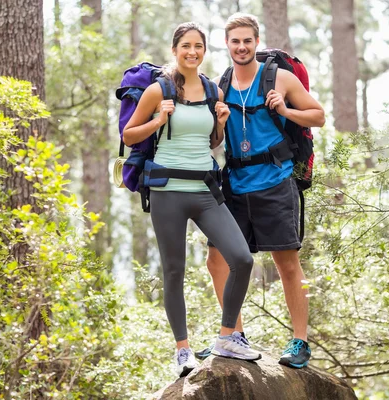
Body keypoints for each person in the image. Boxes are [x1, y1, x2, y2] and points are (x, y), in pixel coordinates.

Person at [123, 22, 261, 378]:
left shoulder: (213, 89)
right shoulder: (159, 89)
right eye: (186, 45)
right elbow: (128, 133)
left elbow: (212, 143)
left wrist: (220, 123)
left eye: (198, 46)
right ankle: (182, 350)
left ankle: (227, 337)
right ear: (175, 50)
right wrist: (158, 120)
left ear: (204, 50)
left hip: (204, 189)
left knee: (242, 259)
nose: (192, 52)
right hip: (168, 191)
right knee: (174, 271)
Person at [200, 13, 325, 369]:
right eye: (235, 41)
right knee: (217, 260)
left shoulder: (279, 77)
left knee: (286, 263)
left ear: (256, 42)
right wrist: (219, 123)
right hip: (234, 186)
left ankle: (300, 342)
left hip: (275, 181)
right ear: (227, 44)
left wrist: (285, 109)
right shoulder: (220, 85)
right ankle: (233, 336)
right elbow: (215, 142)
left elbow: (318, 115)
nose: (241, 47)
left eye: (247, 41)